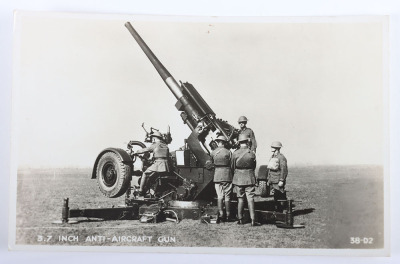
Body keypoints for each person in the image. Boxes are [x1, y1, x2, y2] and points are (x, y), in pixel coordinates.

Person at [231, 134, 260, 226]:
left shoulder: (235, 153)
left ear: (239, 142)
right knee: (250, 199)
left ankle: (240, 219)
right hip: (249, 178)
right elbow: (254, 166)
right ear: (247, 142)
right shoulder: (251, 153)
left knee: (240, 199)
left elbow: (232, 166)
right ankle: (253, 220)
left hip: (239, 178)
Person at [135, 131, 169, 196]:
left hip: (158, 164)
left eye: (152, 138)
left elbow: (146, 149)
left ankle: (141, 190)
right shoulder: (165, 145)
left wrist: (137, 152)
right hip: (166, 165)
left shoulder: (155, 145)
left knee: (145, 174)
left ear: (154, 138)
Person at [210, 135, 233, 222]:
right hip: (227, 175)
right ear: (224, 143)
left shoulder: (213, 152)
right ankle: (228, 215)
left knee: (220, 196)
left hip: (217, 175)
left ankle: (221, 214)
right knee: (227, 196)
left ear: (217, 142)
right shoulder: (228, 152)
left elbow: (211, 162)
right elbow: (231, 164)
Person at [267, 141, 288, 212]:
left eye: (273, 147)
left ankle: (284, 212)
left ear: (277, 148)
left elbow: (284, 170)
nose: (271, 148)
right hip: (273, 180)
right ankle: (278, 211)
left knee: (281, 196)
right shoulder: (273, 156)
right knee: (276, 197)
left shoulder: (281, 157)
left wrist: (281, 180)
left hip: (278, 180)